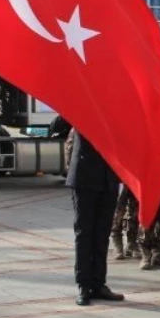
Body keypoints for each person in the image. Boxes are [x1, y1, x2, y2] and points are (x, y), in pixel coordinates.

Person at [53, 117, 126, 306]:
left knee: (102, 234)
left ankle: (99, 283)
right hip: (85, 177)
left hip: (108, 178)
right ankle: (84, 285)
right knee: (84, 233)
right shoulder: (81, 107)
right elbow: (56, 126)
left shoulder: (113, 110)